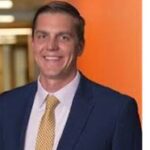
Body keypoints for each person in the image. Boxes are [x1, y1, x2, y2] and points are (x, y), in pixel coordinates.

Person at [0, 1, 141, 150]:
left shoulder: (116, 111)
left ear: (80, 46)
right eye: (43, 36)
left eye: (63, 37)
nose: (51, 46)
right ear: (33, 43)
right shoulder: (6, 106)